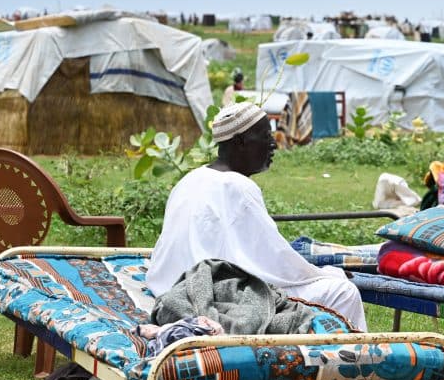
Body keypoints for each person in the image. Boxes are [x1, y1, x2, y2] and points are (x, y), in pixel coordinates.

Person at [145, 101, 367, 330]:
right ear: (240, 141)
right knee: (343, 292)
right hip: (212, 292)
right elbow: (272, 263)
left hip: (170, 284)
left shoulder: (189, 179)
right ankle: (351, 360)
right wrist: (322, 275)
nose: (273, 144)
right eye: (265, 136)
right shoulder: (238, 186)